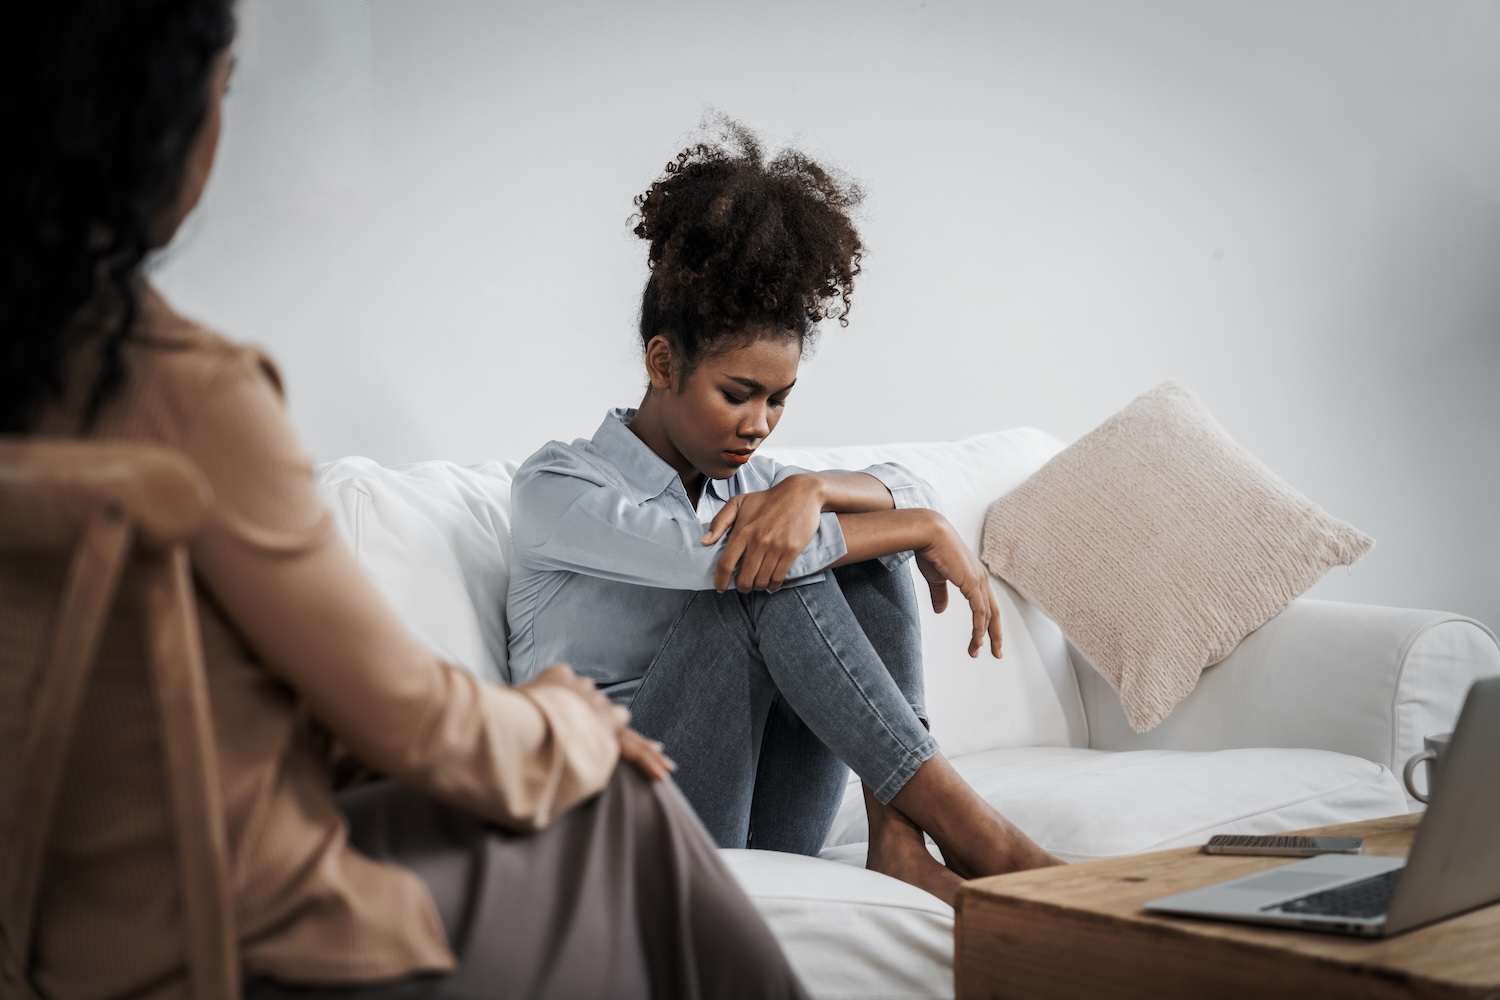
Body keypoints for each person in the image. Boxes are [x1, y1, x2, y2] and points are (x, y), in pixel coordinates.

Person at [0, 3, 808, 998]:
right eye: (225, 90)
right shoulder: (192, 399)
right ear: (156, 130)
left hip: (53, 934)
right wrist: (567, 722)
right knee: (622, 800)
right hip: (236, 933)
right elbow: (409, 719)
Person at [507, 122, 1059, 906]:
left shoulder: (757, 488)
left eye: (778, 400)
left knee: (842, 551)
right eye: (738, 395)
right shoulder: (559, 486)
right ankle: (981, 836)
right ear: (663, 363)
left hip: (753, 812)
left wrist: (814, 489)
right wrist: (923, 527)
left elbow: (901, 485)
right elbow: (714, 559)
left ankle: (899, 841)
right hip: (612, 829)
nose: (759, 425)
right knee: (759, 574)